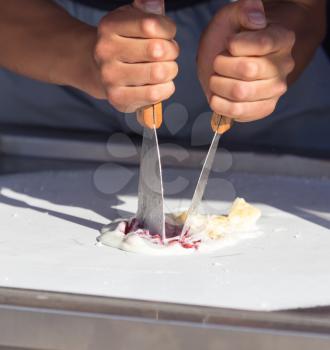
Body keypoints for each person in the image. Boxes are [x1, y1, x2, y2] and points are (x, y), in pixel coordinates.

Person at [0, 0, 328, 153]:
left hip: (245, 50)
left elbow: (307, 8)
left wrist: (263, 50)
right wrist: (83, 54)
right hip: (42, 46)